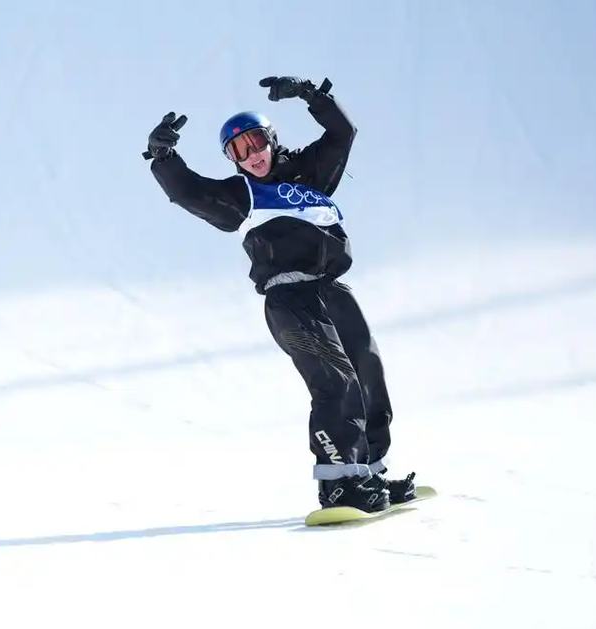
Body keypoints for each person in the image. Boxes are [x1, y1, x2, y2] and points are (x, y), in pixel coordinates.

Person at [144, 75, 417, 512]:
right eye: (238, 151)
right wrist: (164, 157)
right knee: (334, 379)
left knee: (367, 372)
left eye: (255, 143)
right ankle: (338, 484)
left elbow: (342, 134)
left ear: (271, 139)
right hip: (289, 298)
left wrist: (312, 95)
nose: (251, 156)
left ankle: (370, 473)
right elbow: (188, 192)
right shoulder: (242, 194)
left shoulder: (311, 174)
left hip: (333, 291)